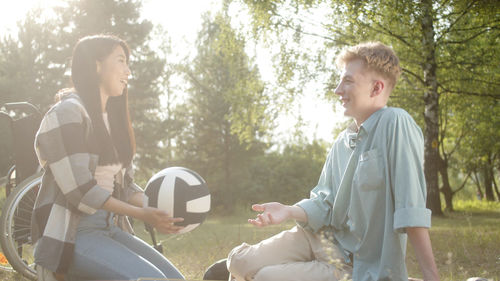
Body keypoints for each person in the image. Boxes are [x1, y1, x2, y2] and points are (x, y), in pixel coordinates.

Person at [226, 42, 440, 281]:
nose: (338, 90)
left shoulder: (396, 123)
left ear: (376, 87)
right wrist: (288, 211)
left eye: (347, 81)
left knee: (266, 277)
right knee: (238, 262)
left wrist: (433, 276)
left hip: (351, 263)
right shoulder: (342, 141)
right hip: (316, 238)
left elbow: (410, 209)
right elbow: (324, 203)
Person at [32, 34, 185, 281]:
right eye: (121, 61)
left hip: (110, 227)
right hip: (73, 234)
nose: (128, 71)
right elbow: (81, 190)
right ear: (96, 65)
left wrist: (157, 207)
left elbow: (123, 188)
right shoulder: (67, 113)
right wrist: (142, 214)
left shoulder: (112, 119)